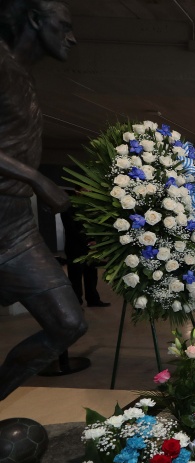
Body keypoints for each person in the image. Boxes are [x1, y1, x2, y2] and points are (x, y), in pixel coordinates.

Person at [0, 0, 87, 401]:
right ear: (35, 19)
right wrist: (36, 178)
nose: (72, 38)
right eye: (63, 26)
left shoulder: (23, 76)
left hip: (15, 224)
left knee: (68, 323)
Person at [61, 198, 110, 307]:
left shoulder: (90, 204)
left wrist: (95, 241)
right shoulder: (68, 207)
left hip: (91, 246)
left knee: (91, 274)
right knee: (75, 276)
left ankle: (93, 299)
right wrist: (88, 241)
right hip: (75, 246)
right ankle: (76, 302)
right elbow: (71, 229)